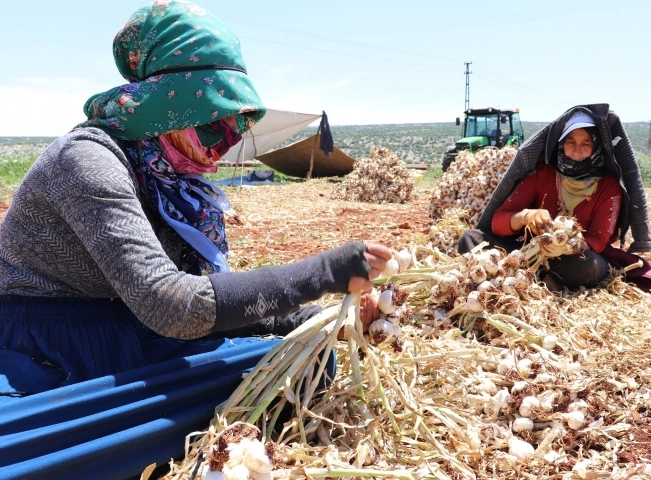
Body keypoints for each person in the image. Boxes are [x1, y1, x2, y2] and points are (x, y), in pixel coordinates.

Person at [0, 1, 389, 478]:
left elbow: (207, 297)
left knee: (300, 365)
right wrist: (323, 274)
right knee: (45, 457)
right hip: (53, 344)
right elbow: (176, 305)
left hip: (136, 331)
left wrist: (315, 321)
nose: (225, 140)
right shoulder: (87, 160)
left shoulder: (174, 182)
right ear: (163, 105)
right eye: (211, 123)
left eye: (237, 124)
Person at [459, 105, 651, 292]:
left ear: (597, 147)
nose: (576, 149)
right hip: (528, 252)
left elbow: (598, 238)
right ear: (561, 144)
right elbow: (498, 222)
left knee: (585, 266)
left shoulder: (608, 186)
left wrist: (569, 246)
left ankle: (526, 278)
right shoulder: (542, 174)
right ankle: (532, 277)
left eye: (585, 143)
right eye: (571, 141)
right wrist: (525, 216)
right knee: (471, 238)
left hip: (573, 258)